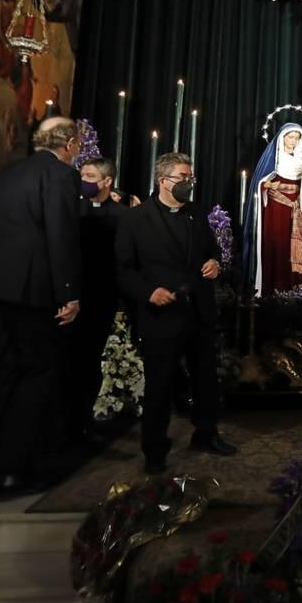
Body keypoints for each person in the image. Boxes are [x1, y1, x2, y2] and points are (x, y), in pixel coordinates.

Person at [0, 116, 82, 501]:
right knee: (35, 377)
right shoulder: (61, 175)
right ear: (69, 146)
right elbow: (60, 233)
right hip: (31, 293)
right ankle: (14, 471)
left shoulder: (8, 174)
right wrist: (68, 292)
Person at [116, 153, 236, 472]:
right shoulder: (135, 219)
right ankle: (154, 449)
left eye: (191, 177)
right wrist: (147, 293)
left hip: (199, 311)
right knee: (160, 386)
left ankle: (205, 433)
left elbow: (212, 251)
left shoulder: (196, 213)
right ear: (163, 181)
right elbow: (123, 269)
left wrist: (215, 263)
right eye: (183, 177)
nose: (189, 183)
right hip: (161, 315)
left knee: (206, 379)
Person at [60, 157, 128, 442]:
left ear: (107, 181)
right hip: (68, 297)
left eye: (90, 175)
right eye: (82, 174)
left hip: (101, 299)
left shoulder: (123, 216)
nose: (83, 179)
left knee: (89, 363)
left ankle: (81, 423)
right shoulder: (69, 210)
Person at [242, 123, 302, 297]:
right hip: (276, 209)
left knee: (294, 247)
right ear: (282, 138)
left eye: (296, 138)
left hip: (297, 208)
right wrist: (266, 185)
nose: (293, 141)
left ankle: (297, 288)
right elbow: (259, 184)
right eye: (290, 137)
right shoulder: (274, 159)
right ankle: (273, 288)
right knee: (277, 245)